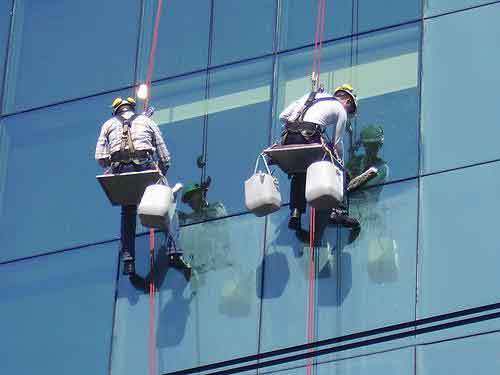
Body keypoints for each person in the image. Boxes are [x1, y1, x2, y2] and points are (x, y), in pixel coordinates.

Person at [95, 96, 189, 276]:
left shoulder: (107, 125)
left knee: (128, 212)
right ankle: (174, 251)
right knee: (169, 206)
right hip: (145, 166)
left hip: (121, 171)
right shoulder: (147, 121)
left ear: (116, 110)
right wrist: (160, 178)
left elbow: (100, 157)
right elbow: (165, 157)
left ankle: (128, 260)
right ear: (132, 107)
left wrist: (115, 160)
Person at [279, 83, 360, 231]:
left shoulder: (311, 96)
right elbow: (337, 142)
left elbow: (283, 116)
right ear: (348, 102)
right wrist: (339, 159)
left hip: (288, 139)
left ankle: (295, 213)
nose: (347, 113)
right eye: (350, 110)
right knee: (338, 166)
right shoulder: (340, 108)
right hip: (307, 137)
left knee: (300, 171)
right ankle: (338, 211)